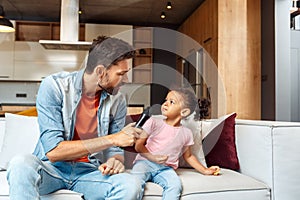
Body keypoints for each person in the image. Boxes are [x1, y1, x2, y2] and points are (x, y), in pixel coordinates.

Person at [7, 36, 144, 200]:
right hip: (52, 169)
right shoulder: (54, 87)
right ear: (100, 71)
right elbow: (53, 151)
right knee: (21, 163)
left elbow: (115, 150)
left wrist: (116, 161)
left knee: (131, 185)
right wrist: (113, 139)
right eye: (121, 74)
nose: (126, 80)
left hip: (90, 171)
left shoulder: (118, 100)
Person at [131, 88, 220, 200]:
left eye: (171, 102)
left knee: (175, 186)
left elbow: (188, 156)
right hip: (144, 163)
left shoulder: (186, 133)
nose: (165, 104)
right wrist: (152, 157)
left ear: (184, 112)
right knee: (134, 184)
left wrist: (205, 170)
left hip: (165, 169)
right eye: (166, 100)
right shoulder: (153, 122)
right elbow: (138, 146)